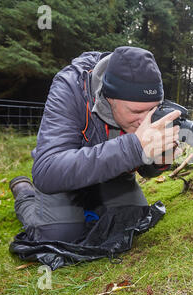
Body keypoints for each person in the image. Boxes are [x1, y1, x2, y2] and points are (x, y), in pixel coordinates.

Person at [9, 46, 181, 243]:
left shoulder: (143, 101)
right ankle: (24, 193)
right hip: (62, 175)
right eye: (135, 112)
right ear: (109, 98)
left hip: (111, 173)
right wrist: (134, 147)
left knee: (132, 219)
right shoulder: (69, 87)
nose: (145, 121)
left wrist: (160, 158)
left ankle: (89, 204)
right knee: (59, 236)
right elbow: (47, 171)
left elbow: (147, 172)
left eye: (152, 110)